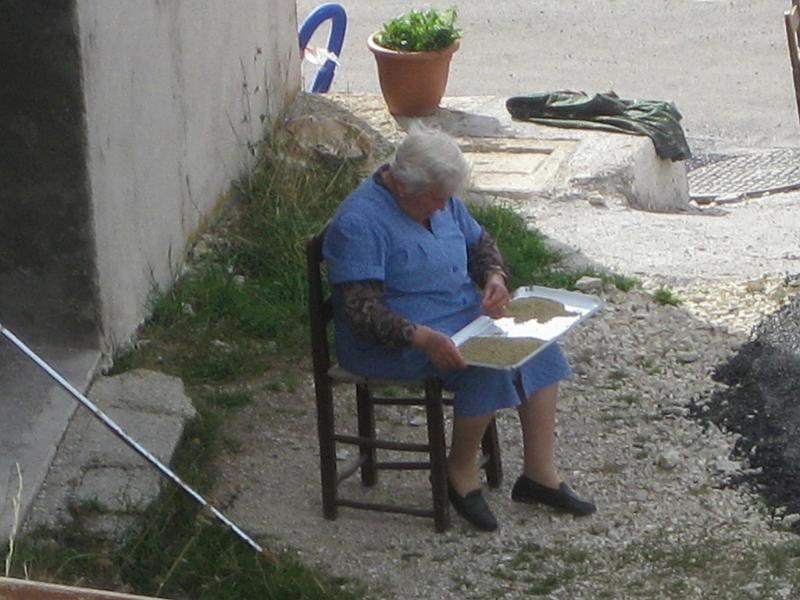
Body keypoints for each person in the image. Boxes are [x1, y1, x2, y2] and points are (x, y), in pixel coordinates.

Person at [322, 130, 595, 531]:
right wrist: (423, 338)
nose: (444, 206)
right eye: (435, 199)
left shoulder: (438, 199)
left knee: (540, 349)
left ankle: (539, 475)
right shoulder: (359, 222)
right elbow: (363, 313)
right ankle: (458, 473)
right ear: (400, 186)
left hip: (456, 319)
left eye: (446, 198)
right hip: (393, 341)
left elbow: (480, 243)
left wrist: (495, 278)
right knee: (484, 365)